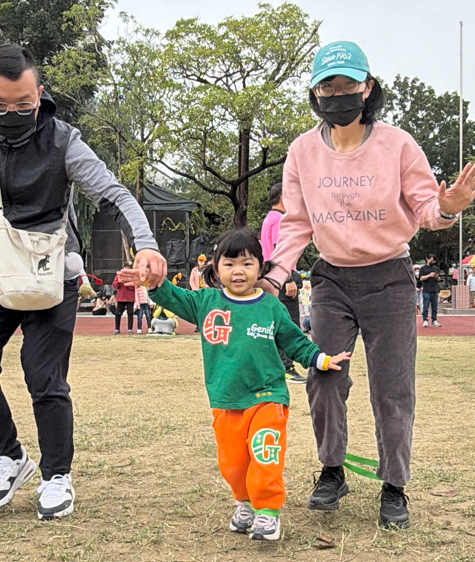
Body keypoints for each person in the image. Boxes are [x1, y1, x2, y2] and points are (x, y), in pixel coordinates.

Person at [261, 40, 475, 528]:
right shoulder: (302, 151)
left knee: (392, 387)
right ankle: (331, 470)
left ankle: (394, 486)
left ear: (367, 88)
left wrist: (448, 207)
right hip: (331, 279)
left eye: (348, 84)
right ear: (315, 93)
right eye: (328, 87)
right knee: (324, 376)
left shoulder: (398, 145)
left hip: (390, 278)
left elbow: (427, 208)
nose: (338, 94)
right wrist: (275, 276)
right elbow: (297, 222)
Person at [0, 44, 166, 519]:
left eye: (24, 104)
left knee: (43, 375)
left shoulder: (63, 140)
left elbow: (114, 194)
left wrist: (146, 244)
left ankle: (56, 476)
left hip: (51, 275)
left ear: (39, 94)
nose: (12, 114)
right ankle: (9, 457)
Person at [124, 228, 350, 541]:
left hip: (268, 397)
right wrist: (153, 283)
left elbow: (296, 342)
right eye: (229, 264)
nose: (238, 271)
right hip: (226, 400)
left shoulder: (271, 307)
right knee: (233, 464)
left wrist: (321, 359)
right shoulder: (206, 302)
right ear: (216, 270)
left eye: (246, 263)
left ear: (261, 268)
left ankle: (268, 511)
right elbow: (173, 297)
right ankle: (244, 503)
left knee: (264, 455)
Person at [260, 182, 305, 383]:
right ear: (282, 198)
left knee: (276, 321)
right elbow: (281, 250)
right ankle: (286, 367)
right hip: (282, 276)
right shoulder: (279, 219)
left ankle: (277, 366)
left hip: (271, 276)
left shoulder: (269, 218)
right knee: (288, 323)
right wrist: (288, 279)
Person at [420, 254, 442, 327]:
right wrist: (429, 275)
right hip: (426, 290)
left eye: (433, 260)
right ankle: (425, 320)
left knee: (434, 307)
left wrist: (436, 277)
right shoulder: (423, 268)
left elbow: (439, 279)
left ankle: (434, 320)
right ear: (427, 259)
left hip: (435, 289)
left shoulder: (436, 268)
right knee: (425, 306)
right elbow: (421, 278)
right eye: (431, 260)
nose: (432, 262)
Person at [112, 267, 136, 334]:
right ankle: (117, 329)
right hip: (121, 297)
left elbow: (135, 286)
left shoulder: (132, 276)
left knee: (130, 314)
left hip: (130, 297)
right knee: (118, 313)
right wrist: (119, 282)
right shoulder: (119, 276)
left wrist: (128, 283)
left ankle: (130, 329)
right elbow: (114, 285)